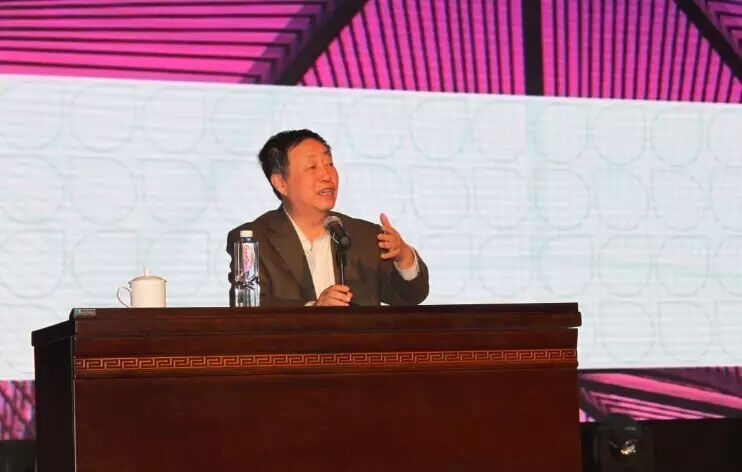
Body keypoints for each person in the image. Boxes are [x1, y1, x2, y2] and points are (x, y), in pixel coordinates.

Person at [226, 129, 429, 307]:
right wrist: (313, 310)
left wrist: (404, 256)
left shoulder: (366, 236)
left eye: (329, 164)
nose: (326, 175)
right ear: (281, 183)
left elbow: (411, 297)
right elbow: (248, 307)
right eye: (312, 167)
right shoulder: (252, 241)